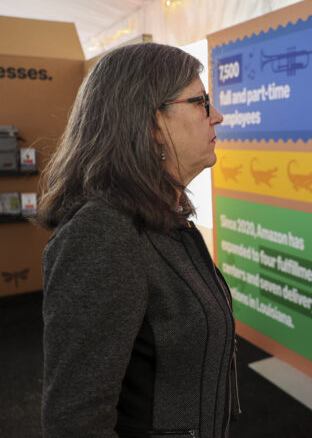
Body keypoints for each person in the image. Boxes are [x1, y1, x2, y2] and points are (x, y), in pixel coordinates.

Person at [35, 42, 239, 438]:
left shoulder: (162, 218)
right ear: (150, 123)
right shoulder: (103, 233)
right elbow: (75, 422)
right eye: (201, 102)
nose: (217, 115)